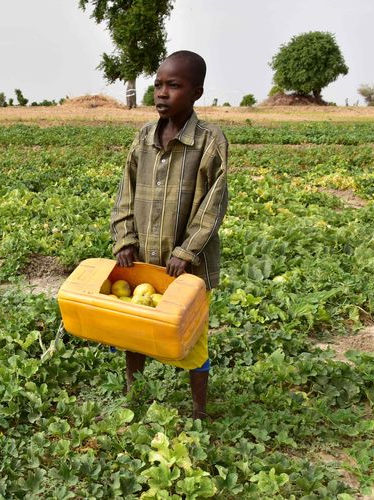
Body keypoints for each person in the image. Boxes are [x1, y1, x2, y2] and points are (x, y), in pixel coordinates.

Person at [110, 50, 229, 420]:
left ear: (196, 92)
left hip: (187, 266)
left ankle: (198, 409)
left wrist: (187, 250)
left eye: (173, 86)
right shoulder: (144, 136)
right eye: (158, 85)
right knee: (135, 331)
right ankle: (134, 397)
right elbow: (125, 190)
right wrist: (125, 238)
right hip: (144, 258)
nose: (162, 93)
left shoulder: (209, 140)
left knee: (191, 334)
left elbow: (214, 201)